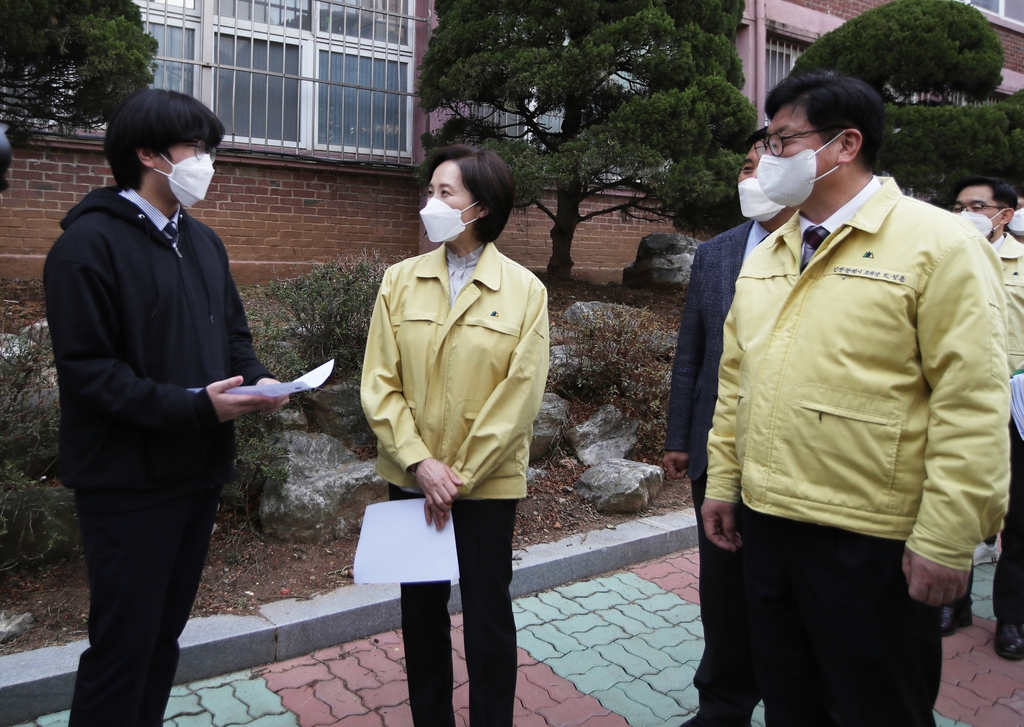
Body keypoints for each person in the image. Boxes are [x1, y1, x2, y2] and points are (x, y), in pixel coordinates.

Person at [702, 71, 1009, 727]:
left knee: (877, 708)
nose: (768, 157)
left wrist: (949, 537)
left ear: (845, 145)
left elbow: (971, 400)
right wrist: (724, 483)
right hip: (768, 524)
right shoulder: (770, 249)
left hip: (871, 536)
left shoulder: (940, 243)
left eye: (782, 140)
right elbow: (737, 379)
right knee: (791, 701)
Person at [44, 88, 289, 727]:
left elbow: (234, 336)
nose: (209, 162)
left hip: (196, 472)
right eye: (198, 149)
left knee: (162, 641)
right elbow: (89, 374)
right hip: (127, 483)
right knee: (122, 648)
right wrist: (194, 406)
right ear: (149, 154)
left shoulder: (202, 242)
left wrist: (262, 384)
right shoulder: (86, 247)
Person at [360, 144, 549, 727]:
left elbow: (519, 396)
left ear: (481, 208)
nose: (430, 204)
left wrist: (458, 474)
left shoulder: (525, 291)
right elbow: (378, 382)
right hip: (413, 479)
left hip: (484, 486)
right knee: (420, 614)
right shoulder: (398, 281)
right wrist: (421, 464)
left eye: (446, 194)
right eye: (431, 191)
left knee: (489, 615)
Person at [663, 127, 793, 727]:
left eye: (762, 164)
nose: (748, 176)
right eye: (743, 165)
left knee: (784, 592)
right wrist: (678, 438)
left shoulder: (822, 249)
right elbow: (692, 349)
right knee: (723, 586)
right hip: (717, 449)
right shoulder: (716, 252)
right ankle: (723, 701)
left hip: (791, 454)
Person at [940, 176, 1024, 661]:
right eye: (959, 204)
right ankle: (955, 603)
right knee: (962, 503)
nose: (965, 211)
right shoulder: (947, 256)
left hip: (1019, 410)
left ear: (1004, 215)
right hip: (961, 404)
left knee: (1019, 518)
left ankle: (1011, 615)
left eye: (977, 205)